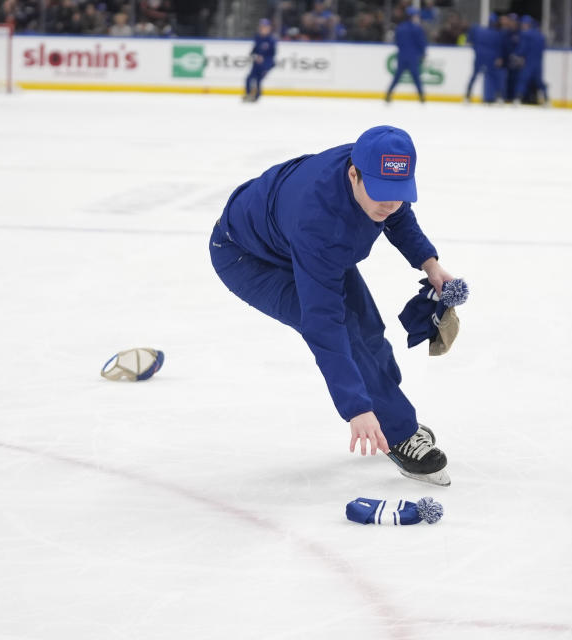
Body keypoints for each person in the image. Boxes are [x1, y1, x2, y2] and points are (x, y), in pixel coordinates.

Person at [208, 126, 454, 486]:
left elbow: (399, 216)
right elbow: (323, 325)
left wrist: (429, 264)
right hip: (248, 258)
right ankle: (398, 432)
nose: (390, 203)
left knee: (369, 328)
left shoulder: (377, 166)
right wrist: (357, 406)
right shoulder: (320, 223)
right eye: (381, 194)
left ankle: (390, 414)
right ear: (353, 174)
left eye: (398, 193)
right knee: (349, 334)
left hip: (288, 238)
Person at [385, 6, 427, 103]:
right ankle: (421, 97)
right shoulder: (417, 28)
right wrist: (423, 53)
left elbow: (397, 41)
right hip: (413, 57)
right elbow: (421, 42)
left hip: (402, 56)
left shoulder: (400, 27)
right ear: (412, 16)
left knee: (397, 77)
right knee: (416, 77)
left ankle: (388, 94)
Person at [465, 14, 504, 103]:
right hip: (491, 58)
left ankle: (467, 96)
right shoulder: (497, 34)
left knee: (474, 76)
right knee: (494, 77)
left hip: (479, 57)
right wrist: (499, 57)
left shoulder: (479, 30)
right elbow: (498, 47)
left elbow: (471, 41)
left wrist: (475, 49)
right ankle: (498, 96)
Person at [514, 15, 548, 105]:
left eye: (523, 24)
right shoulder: (540, 35)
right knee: (539, 82)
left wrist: (517, 55)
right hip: (538, 63)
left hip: (528, 62)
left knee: (523, 80)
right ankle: (547, 100)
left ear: (527, 24)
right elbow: (543, 48)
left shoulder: (525, 34)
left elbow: (522, 48)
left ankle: (518, 98)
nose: (522, 26)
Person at [244, 19, 277, 103]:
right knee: (249, 78)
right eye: (262, 27)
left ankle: (257, 96)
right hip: (256, 63)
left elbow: (272, 54)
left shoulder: (271, 40)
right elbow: (254, 50)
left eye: (265, 27)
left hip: (266, 63)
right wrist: (254, 55)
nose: (263, 29)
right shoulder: (257, 37)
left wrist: (265, 61)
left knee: (258, 79)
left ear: (269, 28)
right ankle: (248, 94)